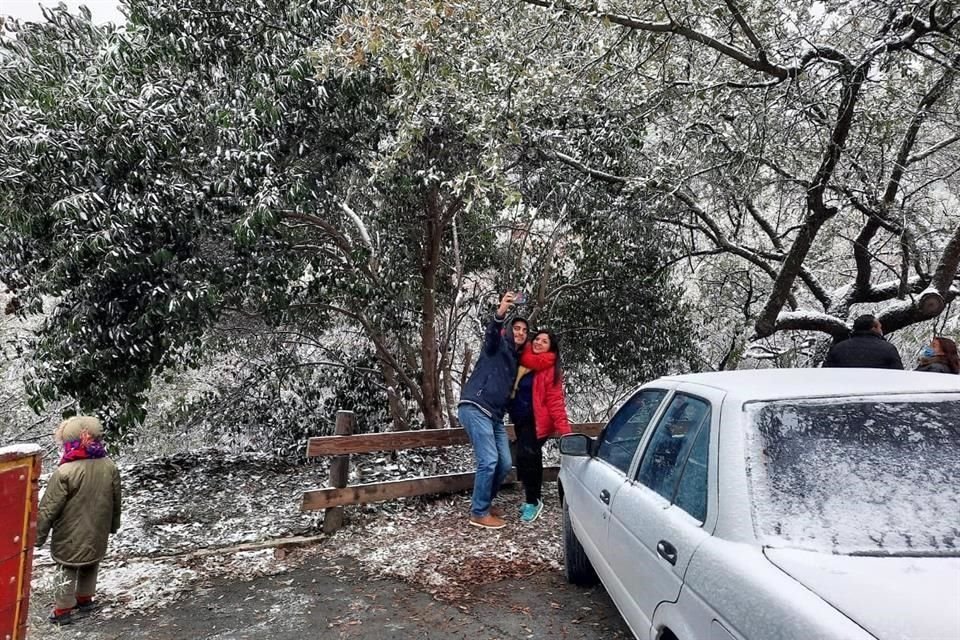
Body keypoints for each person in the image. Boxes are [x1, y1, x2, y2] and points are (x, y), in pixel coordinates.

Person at [36, 416, 122, 625]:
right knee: (91, 561)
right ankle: (85, 599)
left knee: (66, 566)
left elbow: (49, 507)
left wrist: (37, 536)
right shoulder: (109, 465)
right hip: (98, 527)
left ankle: (62, 610)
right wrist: (113, 524)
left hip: (70, 532)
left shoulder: (65, 471)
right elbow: (116, 498)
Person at [457, 292, 528, 529]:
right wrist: (501, 313)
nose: (520, 333)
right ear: (509, 331)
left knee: (505, 463)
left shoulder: (517, 362)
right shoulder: (496, 347)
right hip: (476, 407)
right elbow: (490, 335)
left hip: (495, 417)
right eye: (516, 328)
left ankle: (484, 502)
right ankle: (479, 512)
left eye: (524, 331)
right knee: (488, 460)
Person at [509, 330, 571, 523]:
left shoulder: (550, 369)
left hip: (538, 421)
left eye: (545, 341)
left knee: (529, 456)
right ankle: (532, 498)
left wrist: (566, 432)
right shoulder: (524, 360)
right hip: (521, 419)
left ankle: (533, 501)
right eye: (537, 339)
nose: (539, 343)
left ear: (550, 347)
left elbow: (555, 401)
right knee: (524, 457)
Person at [823, 314, 904, 369]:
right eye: (880, 327)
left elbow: (827, 373)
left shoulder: (838, 348)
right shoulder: (888, 349)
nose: (881, 330)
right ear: (874, 328)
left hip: (845, 390)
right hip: (877, 391)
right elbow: (898, 375)